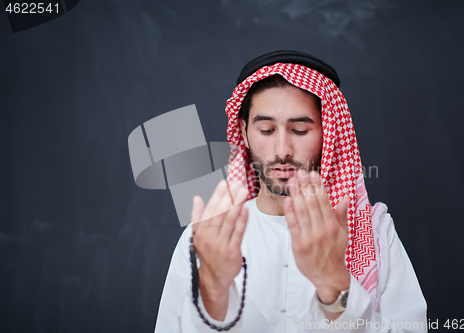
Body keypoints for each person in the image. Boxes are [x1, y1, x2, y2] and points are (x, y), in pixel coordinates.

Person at [154, 50, 427, 332]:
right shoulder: (208, 238)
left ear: (327, 135)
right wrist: (212, 294)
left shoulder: (374, 233)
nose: (282, 151)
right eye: (267, 130)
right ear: (244, 133)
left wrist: (335, 283)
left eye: (299, 130)